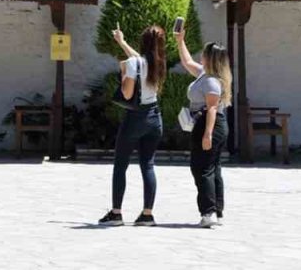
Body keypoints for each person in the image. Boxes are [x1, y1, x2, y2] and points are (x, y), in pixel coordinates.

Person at [98, 25, 167, 227]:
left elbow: (127, 95)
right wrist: (122, 42)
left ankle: (117, 213)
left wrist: (123, 73)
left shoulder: (131, 64)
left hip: (135, 118)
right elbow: (140, 61)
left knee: (121, 165)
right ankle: (147, 214)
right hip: (155, 118)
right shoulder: (158, 63)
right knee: (148, 165)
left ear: (143, 42)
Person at [175, 29, 233, 228]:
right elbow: (187, 62)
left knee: (202, 169)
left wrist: (207, 134)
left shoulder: (211, 81)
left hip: (211, 124)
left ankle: (208, 212)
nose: (201, 56)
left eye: (205, 53)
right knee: (212, 168)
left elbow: (212, 108)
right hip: (210, 124)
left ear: (210, 58)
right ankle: (217, 211)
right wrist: (180, 41)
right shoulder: (204, 74)